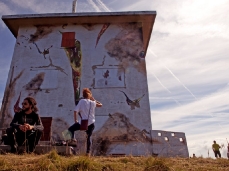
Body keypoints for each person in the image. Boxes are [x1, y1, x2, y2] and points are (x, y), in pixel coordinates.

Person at [68, 88, 102, 155]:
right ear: (89, 95)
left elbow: (75, 111)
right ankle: (88, 152)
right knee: (89, 137)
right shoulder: (93, 103)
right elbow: (101, 105)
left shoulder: (81, 101)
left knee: (70, 129)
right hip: (91, 123)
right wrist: (94, 99)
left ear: (83, 95)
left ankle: (73, 140)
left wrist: (76, 121)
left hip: (83, 123)